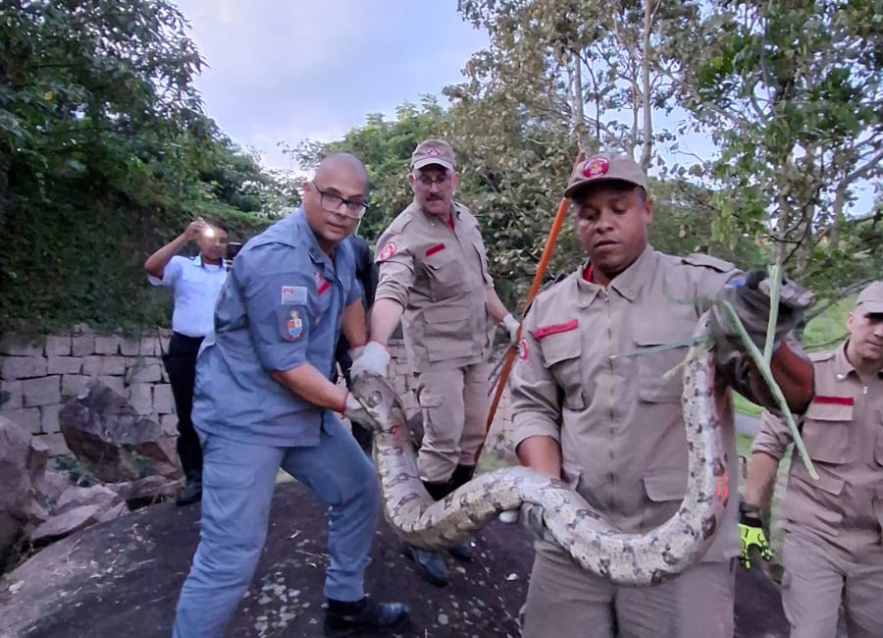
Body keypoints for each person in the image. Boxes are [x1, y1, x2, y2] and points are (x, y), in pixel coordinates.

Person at [507, 153, 817, 638]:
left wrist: (767, 336)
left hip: (685, 550)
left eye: (618, 208)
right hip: (572, 544)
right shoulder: (548, 309)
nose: (603, 224)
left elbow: (793, 395)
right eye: (589, 215)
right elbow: (531, 408)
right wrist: (549, 498)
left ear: (647, 210)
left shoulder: (704, 288)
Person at [171, 154, 409, 638]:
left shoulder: (342, 249)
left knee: (358, 490)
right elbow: (284, 367)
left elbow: (350, 299)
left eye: (355, 203)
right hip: (246, 418)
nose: (343, 210)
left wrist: (364, 353)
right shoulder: (277, 257)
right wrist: (352, 406)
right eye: (332, 197)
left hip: (302, 414)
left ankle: (345, 609)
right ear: (307, 190)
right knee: (231, 556)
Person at [351, 139, 520, 587]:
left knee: (473, 438)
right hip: (438, 355)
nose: (432, 185)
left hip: (475, 348)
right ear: (412, 181)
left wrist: (508, 321)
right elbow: (391, 293)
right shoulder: (403, 234)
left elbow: (481, 285)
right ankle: (419, 533)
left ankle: (448, 522)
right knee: (443, 440)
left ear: (454, 178)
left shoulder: (467, 222)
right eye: (423, 177)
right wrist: (378, 345)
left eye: (440, 175)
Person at [742, 280, 883, 638]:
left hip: (876, 547)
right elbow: (769, 444)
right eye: (873, 318)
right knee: (813, 632)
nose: (880, 331)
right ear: (852, 320)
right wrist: (750, 516)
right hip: (815, 538)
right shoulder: (809, 375)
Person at [145, 216, 229, 506]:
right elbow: (152, 267)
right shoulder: (182, 266)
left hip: (221, 348)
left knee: (223, 413)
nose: (216, 245)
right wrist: (182, 237)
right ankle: (195, 477)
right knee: (188, 414)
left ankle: (223, 475)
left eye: (222, 240)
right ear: (199, 240)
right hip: (186, 346)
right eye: (210, 238)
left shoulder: (231, 274)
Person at [332, 234, 378, 452]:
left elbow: (371, 287)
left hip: (352, 334)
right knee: (320, 384)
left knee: (361, 387)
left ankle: (364, 450)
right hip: (319, 334)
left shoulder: (357, 247)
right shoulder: (301, 248)